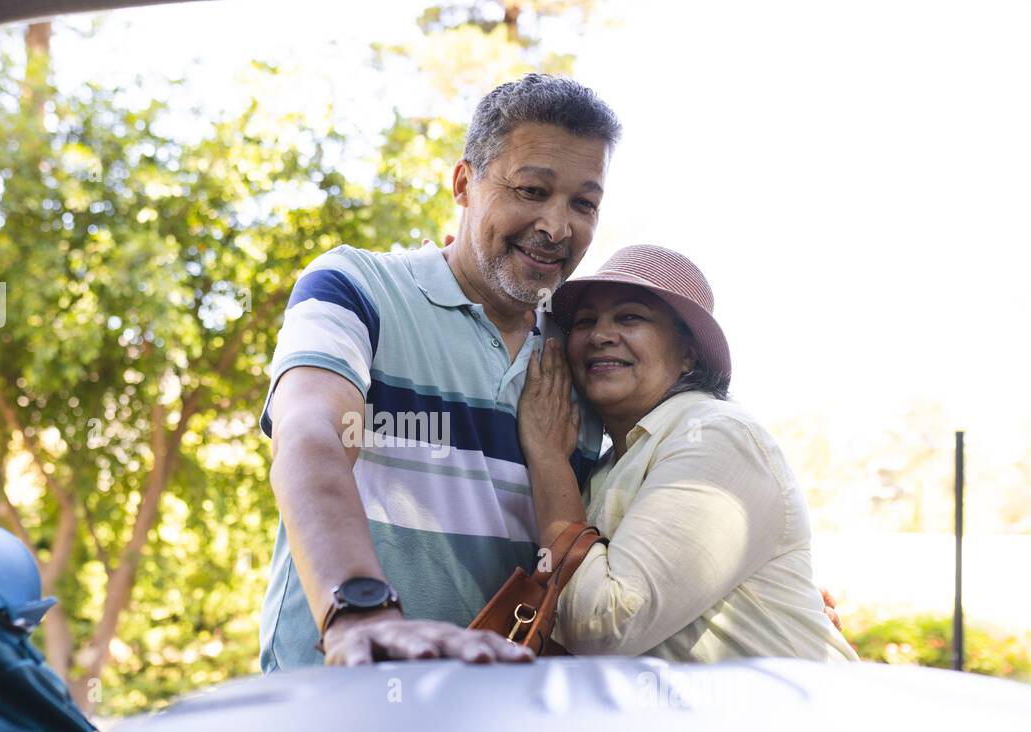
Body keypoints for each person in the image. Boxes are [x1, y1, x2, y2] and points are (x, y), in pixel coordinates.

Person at [258, 74, 620, 671]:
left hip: (500, 721)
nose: (558, 227)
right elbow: (310, 433)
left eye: (584, 203)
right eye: (532, 190)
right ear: (463, 183)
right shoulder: (358, 287)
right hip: (342, 696)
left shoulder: (583, 358)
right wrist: (358, 609)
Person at [516, 244, 858, 661]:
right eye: (586, 321)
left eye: (630, 317)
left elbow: (605, 625)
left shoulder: (718, 435)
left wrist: (549, 462)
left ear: (688, 354)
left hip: (784, 722)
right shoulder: (609, 463)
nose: (601, 335)